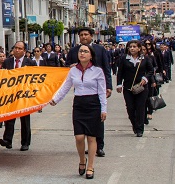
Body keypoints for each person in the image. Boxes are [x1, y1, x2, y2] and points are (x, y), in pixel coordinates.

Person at [50, 44, 107, 180]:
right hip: (79, 105)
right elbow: (65, 87)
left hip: (93, 105)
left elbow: (102, 91)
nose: (82, 53)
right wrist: (55, 99)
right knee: (79, 137)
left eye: (85, 51)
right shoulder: (73, 71)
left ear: (91, 55)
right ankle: (82, 159)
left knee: (92, 138)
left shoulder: (98, 71)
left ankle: (90, 166)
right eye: (80, 51)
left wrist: (103, 109)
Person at [66, 27, 112, 157]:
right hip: (81, 89)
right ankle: (87, 145)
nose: (83, 37)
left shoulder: (100, 50)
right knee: (82, 124)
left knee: (98, 119)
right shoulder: (74, 51)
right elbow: (67, 66)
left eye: (86, 34)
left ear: (92, 36)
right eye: (81, 35)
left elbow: (106, 68)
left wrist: (109, 86)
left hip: (97, 89)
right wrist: (71, 66)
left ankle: (99, 146)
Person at [0, 41, 35, 151]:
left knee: (25, 120)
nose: (17, 50)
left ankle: (25, 143)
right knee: (9, 118)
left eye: (20, 48)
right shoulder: (7, 62)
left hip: (24, 95)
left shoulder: (30, 63)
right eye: (15, 48)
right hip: (10, 95)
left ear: (24, 51)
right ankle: (7, 140)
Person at [116, 40, 153, 137]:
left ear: (139, 48)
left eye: (134, 46)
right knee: (130, 108)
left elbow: (151, 70)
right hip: (128, 88)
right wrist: (119, 84)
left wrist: (145, 78)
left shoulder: (144, 58)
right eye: (130, 47)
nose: (132, 48)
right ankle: (134, 124)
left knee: (140, 107)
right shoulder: (124, 58)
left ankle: (140, 129)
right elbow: (120, 72)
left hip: (141, 88)